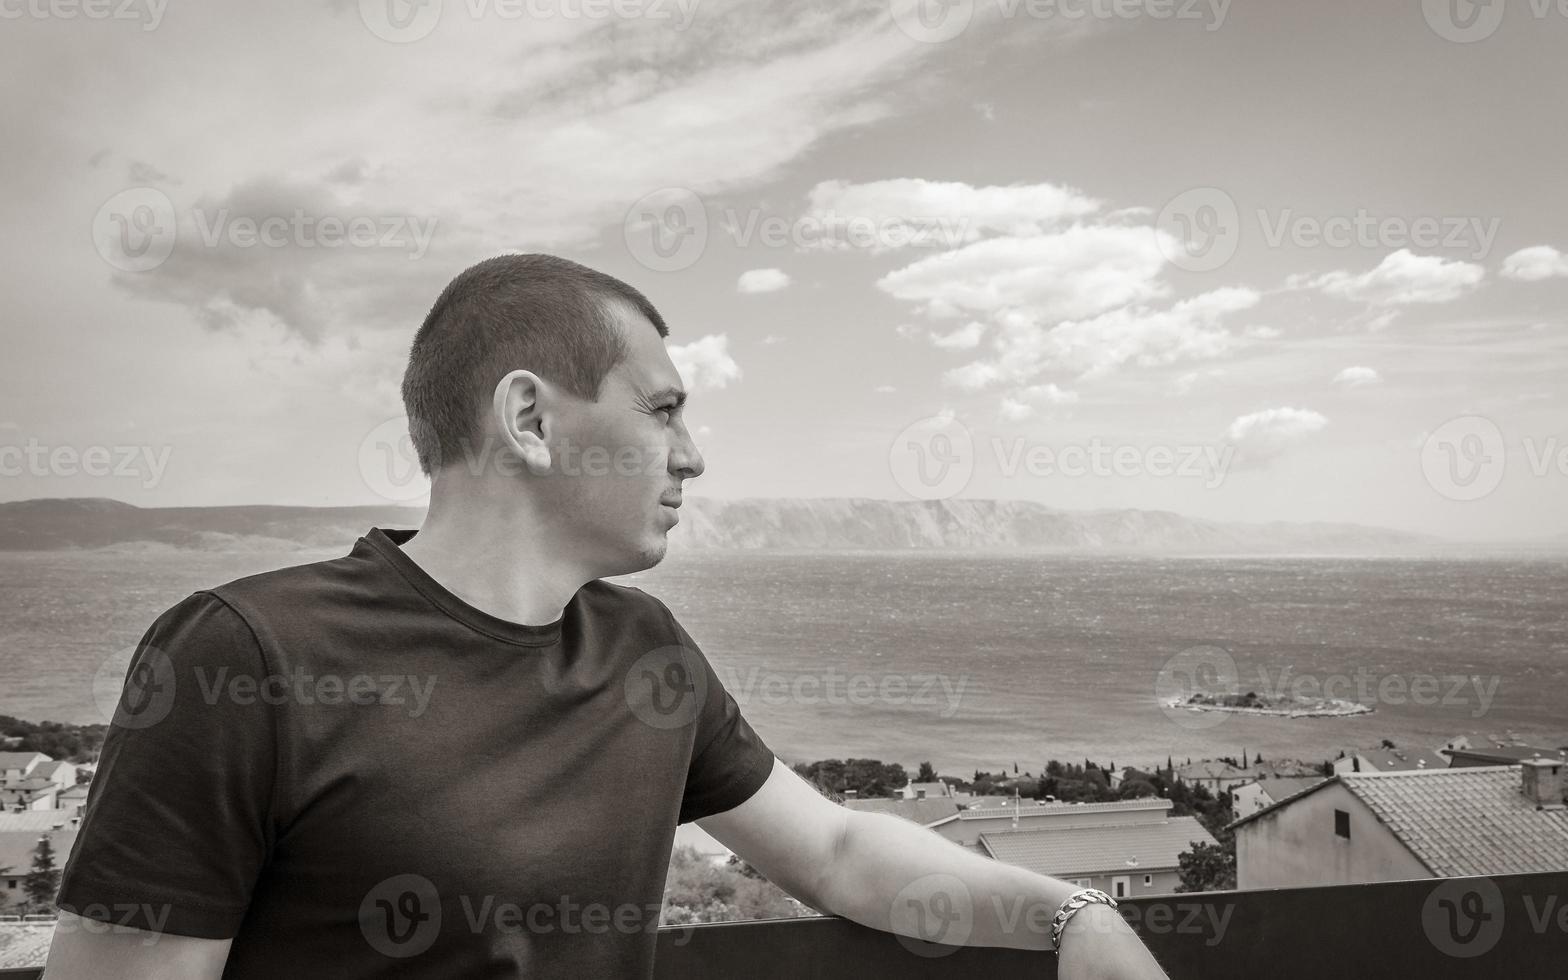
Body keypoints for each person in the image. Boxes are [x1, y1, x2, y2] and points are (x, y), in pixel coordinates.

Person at [44, 254, 1169, 979]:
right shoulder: (240, 654)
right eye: (662, 407)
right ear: (529, 418)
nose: (692, 453)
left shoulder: (644, 652)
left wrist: (1072, 916)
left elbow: (830, 848)